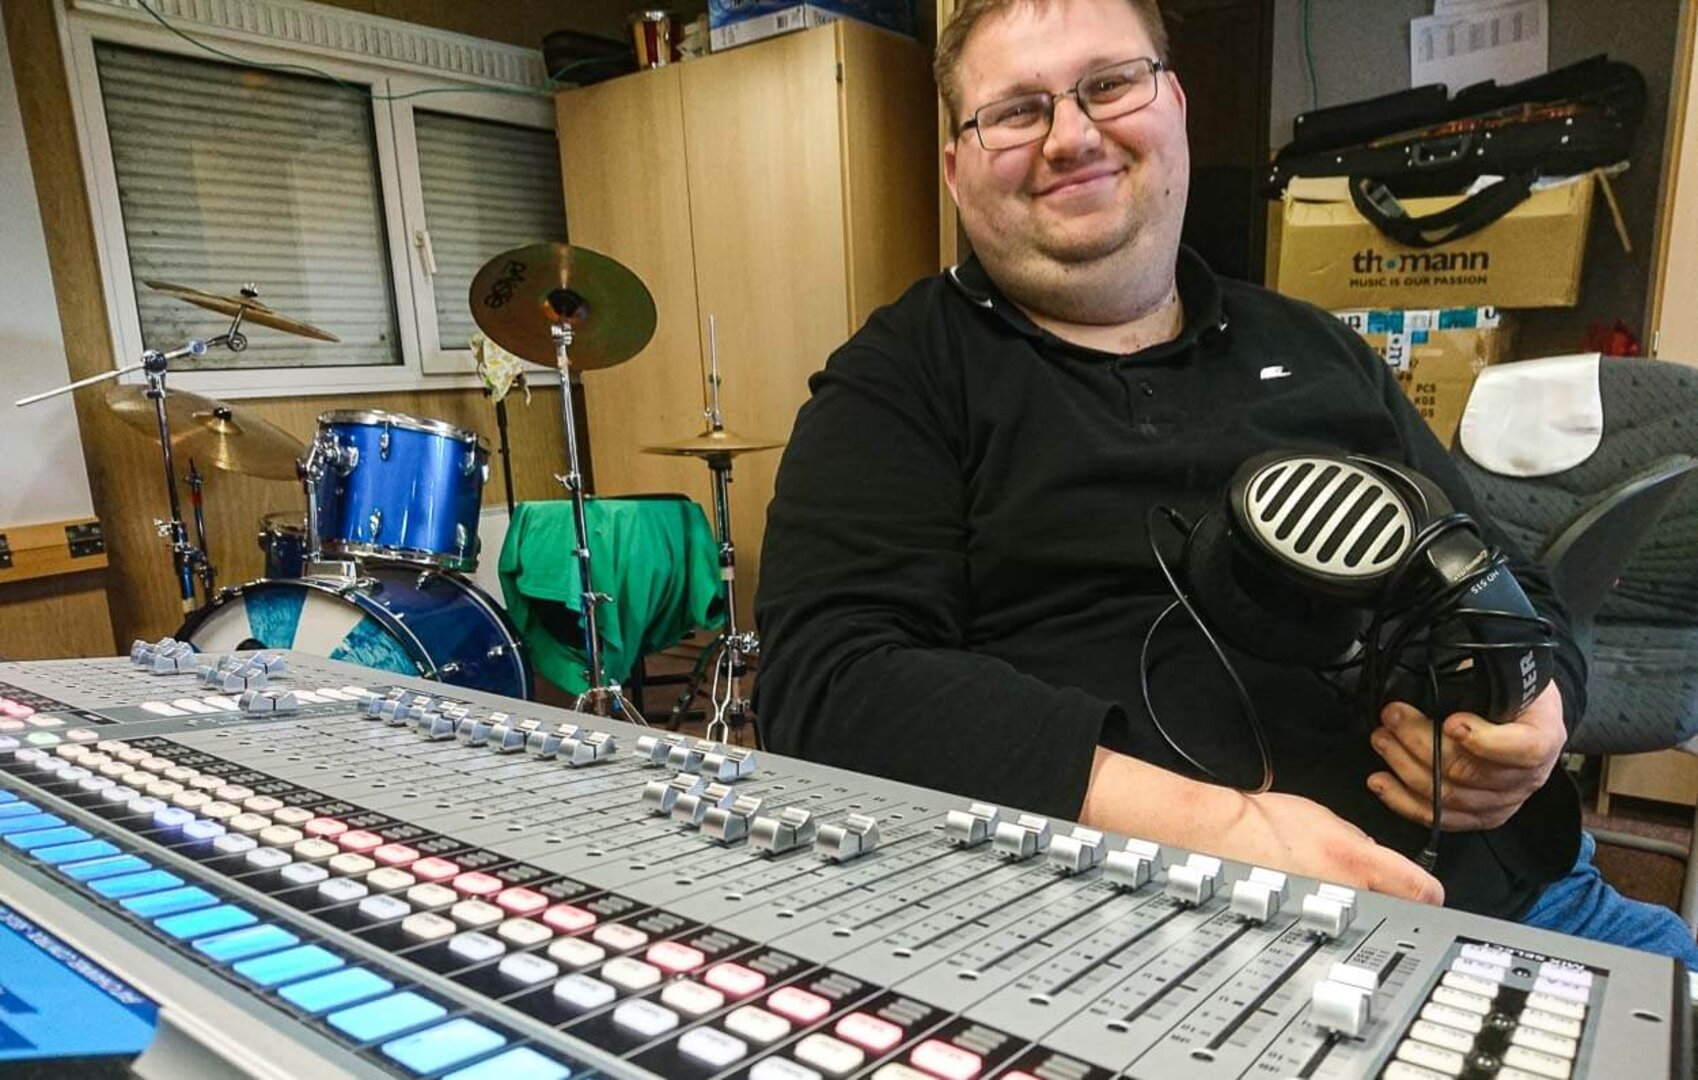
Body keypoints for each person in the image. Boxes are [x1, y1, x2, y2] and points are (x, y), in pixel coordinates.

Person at [753, 0, 1698, 963]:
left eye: (1110, 85)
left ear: (1175, 105)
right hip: (1154, 933)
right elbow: (826, 685)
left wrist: (1539, 712)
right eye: (1018, 111)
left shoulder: (1320, 347)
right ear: (957, 168)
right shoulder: (899, 378)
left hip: (1522, 899)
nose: (1071, 136)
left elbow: (1511, 576)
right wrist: (1220, 834)